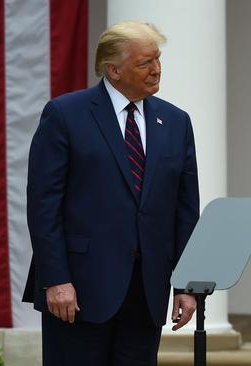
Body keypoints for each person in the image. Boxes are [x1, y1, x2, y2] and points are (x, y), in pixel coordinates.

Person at [22, 21, 199, 366]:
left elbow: (184, 209)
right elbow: (43, 206)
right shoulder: (65, 115)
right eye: (144, 62)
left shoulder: (177, 122)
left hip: (146, 292)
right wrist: (56, 280)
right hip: (77, 292)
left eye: (158, 59)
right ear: (113, 69)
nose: (156, 69)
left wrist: (186, 284)